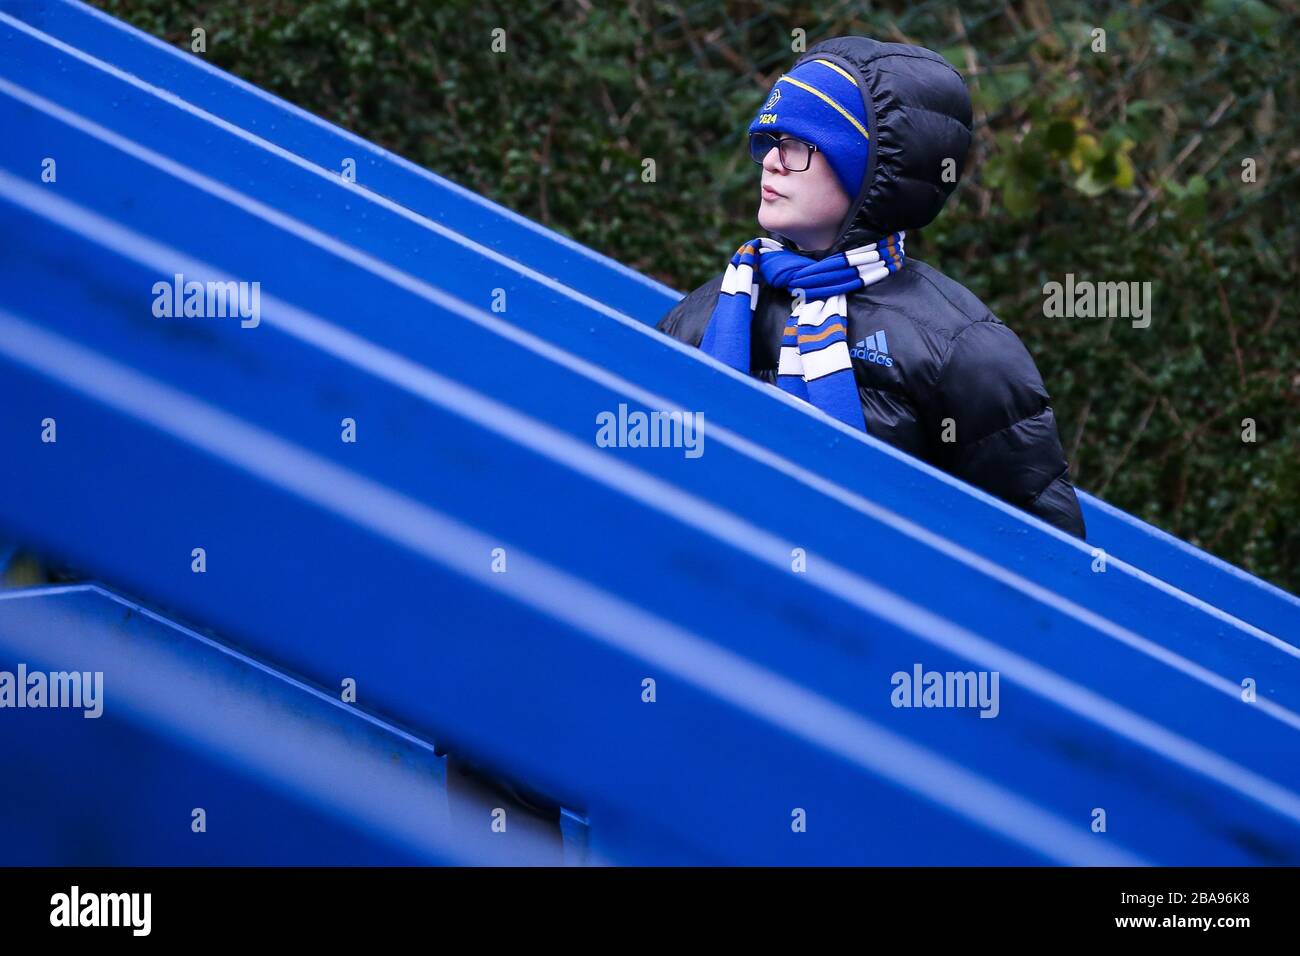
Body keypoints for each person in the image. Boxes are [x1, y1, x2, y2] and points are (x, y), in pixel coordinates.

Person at [657, 36, 1086, 539]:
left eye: (800, 146)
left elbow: (1042, 550)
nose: (773, 162)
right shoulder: (716, 306)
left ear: (869, 172)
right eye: (770, 142)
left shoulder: (960, 347)